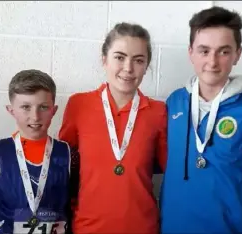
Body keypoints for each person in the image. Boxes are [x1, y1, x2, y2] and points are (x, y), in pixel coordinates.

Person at [159, 6, 242, 234]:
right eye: (204, 50)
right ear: (190, 52)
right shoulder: (175, 103)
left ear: (237, 53)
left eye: (224, 51)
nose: (213, 61)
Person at [58, 22, 167, 234]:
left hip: (142, 228)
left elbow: (172, 174)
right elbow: (59, 168)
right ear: (104, 60)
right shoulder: (79, 105)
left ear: (147, 66)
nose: (128, 68)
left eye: (138, 60)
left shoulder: (159, 112)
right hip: (88, 227)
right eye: (120, 57)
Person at [0, 69, 71, 234]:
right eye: (25, 107)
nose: (35, 116)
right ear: (11, 110)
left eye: (43, 107)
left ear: (54, 110)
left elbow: (78, 207)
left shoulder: (68, 153)